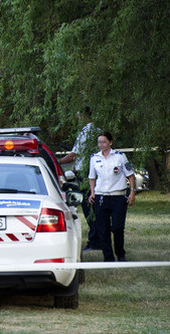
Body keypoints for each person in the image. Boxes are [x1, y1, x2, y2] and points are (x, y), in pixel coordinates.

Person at [88, 132, 136, 262]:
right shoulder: (94, 158)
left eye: (104, 141)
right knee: (102, 229)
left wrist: (132, 191)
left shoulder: (120, 157)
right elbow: (92, 177)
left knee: (117, 227)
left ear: (110, 142)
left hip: (118, 196)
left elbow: (130, 175)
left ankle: (120, 253)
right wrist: (92, 192)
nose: (101, 144)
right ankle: (108, 257)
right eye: (99, 142)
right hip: (101, 196)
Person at [58, 107, 101, 251]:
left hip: (86, 174)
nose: (78, 119)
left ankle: (94, 240)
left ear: (83, 115)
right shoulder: (97, 130)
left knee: (89, 207)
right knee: (94, 206)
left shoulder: (86, 131)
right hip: (93, 172)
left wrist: (57, 161)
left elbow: (73, 155)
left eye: (78, 116)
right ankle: (99, 238)